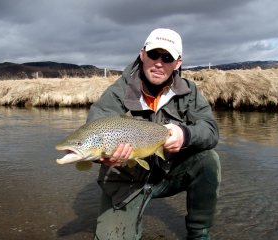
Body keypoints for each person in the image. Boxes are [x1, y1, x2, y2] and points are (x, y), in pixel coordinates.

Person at [87, 28, 221, 240]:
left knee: (208, 160)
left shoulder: (189, 91)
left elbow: (211, 132)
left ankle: (199, 234)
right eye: (153, 54)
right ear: (142, 54)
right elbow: (94, 129)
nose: (159, 62)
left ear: (177, 63)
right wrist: (104, 156)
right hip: (126, 180)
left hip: (168, 172)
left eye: (167, 57)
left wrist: (185, 134)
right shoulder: (117, 92)